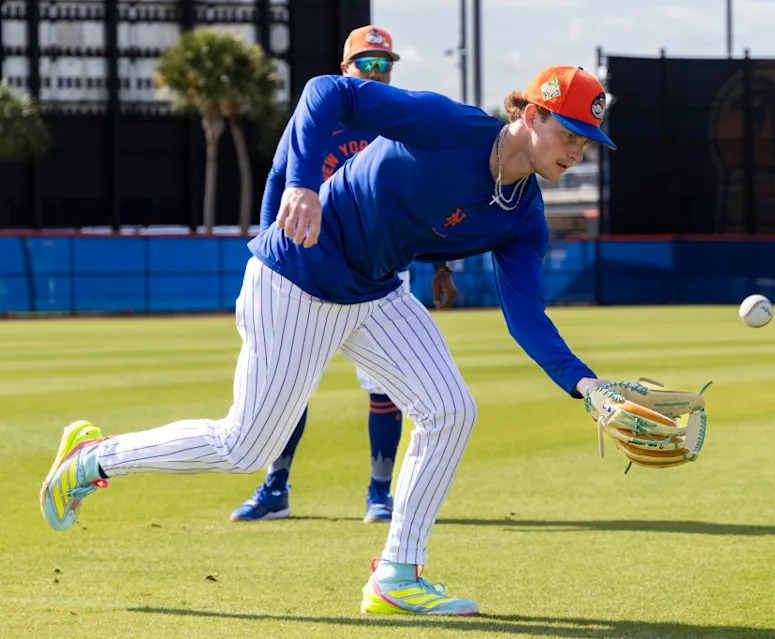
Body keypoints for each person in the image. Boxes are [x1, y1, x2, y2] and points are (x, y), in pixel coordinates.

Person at [40, 64, 616, 616]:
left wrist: (585, 384)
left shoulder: (523, 216)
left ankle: (397, 576)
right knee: (244, 449)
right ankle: (93, 459)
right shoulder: (451, 125)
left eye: (587, 142)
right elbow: (325, 92)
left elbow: (525, 314)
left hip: (374, 292)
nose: (576, 150)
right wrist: (301, 184)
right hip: (298, 276)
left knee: (450, 410)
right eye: (570, 133)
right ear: (533, 115)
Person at [229, 25, 458, 525]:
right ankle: (275, 487)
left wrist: (441, 266)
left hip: (381, 276)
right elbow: (279, 177)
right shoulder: (321, 114)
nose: (377, 72)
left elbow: (430, 201)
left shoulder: (400, 121)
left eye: (385, 64)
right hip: (306, 272)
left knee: (387, 388)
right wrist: (270, 250)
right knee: (286, 389)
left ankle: (380, 493)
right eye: (366, 64)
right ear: (345, 69)